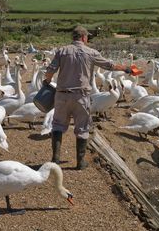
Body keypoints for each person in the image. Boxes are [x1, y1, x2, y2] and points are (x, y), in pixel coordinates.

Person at [44, 25, 133, 170]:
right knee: (82, 128)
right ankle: (80, 162)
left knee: (58, 125)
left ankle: (55, 159)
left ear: (73, 37)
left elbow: (50, 70)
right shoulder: (91, 52)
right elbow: (109, 65)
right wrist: (126, 69)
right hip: (81, 96)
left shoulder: (62, 51)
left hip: (62, 96)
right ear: (84, 38)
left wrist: (46, 82)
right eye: (87, 37)